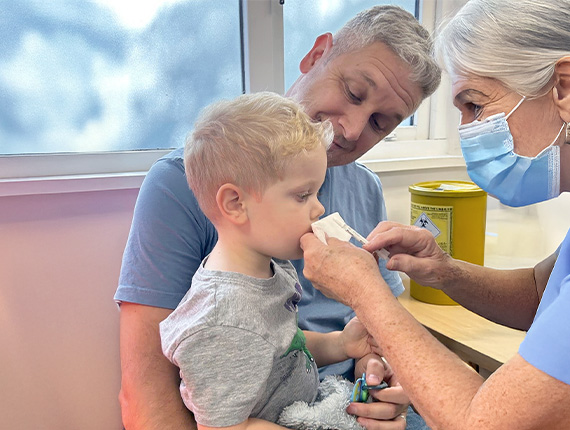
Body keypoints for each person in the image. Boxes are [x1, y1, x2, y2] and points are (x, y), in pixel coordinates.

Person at [115, 5, 441, 430]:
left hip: (338, 401)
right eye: (354, 93)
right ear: (315, 54)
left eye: (381, 123)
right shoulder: (180, 187)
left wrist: (376, 379)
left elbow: (373, 337)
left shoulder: (366, 187)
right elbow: (146, 399)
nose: (352, 130)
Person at [299, 1, 570, 429]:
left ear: (564, 89)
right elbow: (545, 292)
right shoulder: (187, 182)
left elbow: (488, 423)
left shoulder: (361, 184)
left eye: (475, 106)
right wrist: (445, 272)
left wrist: (366, 296)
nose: (466, 131)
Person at [160, 91, 386, 430]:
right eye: (303, 195)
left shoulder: (269, 270)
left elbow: (282, 347)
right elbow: (224, 427)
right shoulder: (224, 322)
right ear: (236, 203)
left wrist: (340, 344)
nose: (319, 208)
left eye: (318, 192)